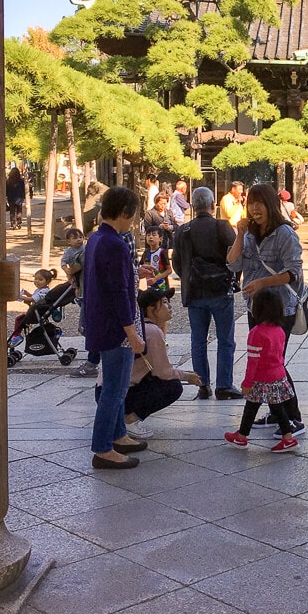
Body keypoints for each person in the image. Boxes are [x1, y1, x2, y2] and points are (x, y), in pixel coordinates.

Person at [227, 182, 306, 433]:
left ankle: (293, 418)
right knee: (264, 363)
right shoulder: (249, 233)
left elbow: (292, 273)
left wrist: (262, 282)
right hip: (256, 308)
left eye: (260, 203)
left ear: (271, 205)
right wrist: (239, 234)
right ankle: (277, 414)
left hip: (281, 308)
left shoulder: (285, 233)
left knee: (275, 363)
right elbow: (232, 264)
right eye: (251, 203)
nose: (254, 208)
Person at [81, 186, 148, 470]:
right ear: (125, 213)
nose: (133, 221)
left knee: (115, 387)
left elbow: (108, 280)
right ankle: (103, 448)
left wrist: (134, 272)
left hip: (101, 323)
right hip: (116, 328)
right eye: (132, 216)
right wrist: (131, 331)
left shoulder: (96, 238)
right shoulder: (117, 244)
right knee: (115, 389)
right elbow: (118, 292)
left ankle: (118, 434)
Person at [172, 186, 241, 401]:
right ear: (213, 205)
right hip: (220, 290)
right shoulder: (223, 227)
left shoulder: (183, 231)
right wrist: (232, 280)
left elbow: (177, 264)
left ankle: (202, 383)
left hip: (194, 292)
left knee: (198, 340)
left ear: (193, 206)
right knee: (225, 339)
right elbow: (236, 258)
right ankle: (224, 385)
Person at [224, 289, 300, 452]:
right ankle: (286, 437)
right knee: (276, 407)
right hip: (278, 374)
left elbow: (253, 362)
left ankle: (243, 436)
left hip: (261, 378)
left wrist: (247, 382)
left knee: (252, 406)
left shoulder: (256, 333)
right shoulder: (279, 330)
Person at [122, 287, 202, 438]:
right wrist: (187, 376)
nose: (170, 306)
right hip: (123, 393)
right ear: (151, 309)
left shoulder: (142, 328)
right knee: (172, 387)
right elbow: (163, 372)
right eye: (165, 302)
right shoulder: (152, 331)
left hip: (110, 391)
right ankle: (129, 420)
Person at [9, 268, 57, 344]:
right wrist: (26, 293)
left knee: (19, 319)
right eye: (36, 279)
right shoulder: (40, 290)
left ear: (47, 282)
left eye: (40, 280)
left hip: (36, 315)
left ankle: (16, 336)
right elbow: (33, 297)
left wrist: (19, 296)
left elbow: (31, 299)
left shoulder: (43, 292)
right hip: (36, 311)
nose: (37, 281)